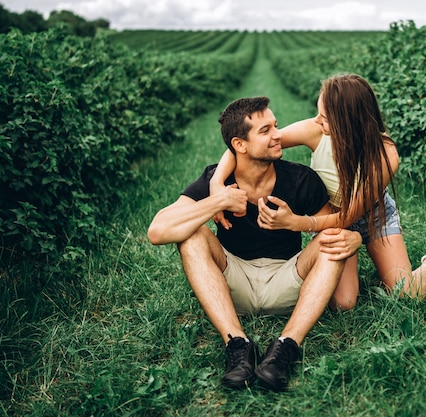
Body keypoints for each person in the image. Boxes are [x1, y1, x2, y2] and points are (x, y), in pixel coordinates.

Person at [147, 96, 362, 392]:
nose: (278, 135)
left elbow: (336, 222)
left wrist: (355, 235)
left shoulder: (301, 179)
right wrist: (217, 200)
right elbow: (158, 231)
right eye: (265, 131)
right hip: (232, 283)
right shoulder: (216, 180)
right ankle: (238, 345)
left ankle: (286, 346)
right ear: (240, 145)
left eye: (274, 126)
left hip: (287, 279)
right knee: (192, 234)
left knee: (333, 238)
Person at [210, 74, 426, 311]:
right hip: (328, 216)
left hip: (372, 217)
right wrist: (217, 185)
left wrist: (295, 223)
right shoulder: (315, 131)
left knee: (407, 294)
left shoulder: (385, 154)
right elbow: (249, 144)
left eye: (324, 117)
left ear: (348, 121)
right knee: (343, 303)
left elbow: (348, 217)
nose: (316, 121)